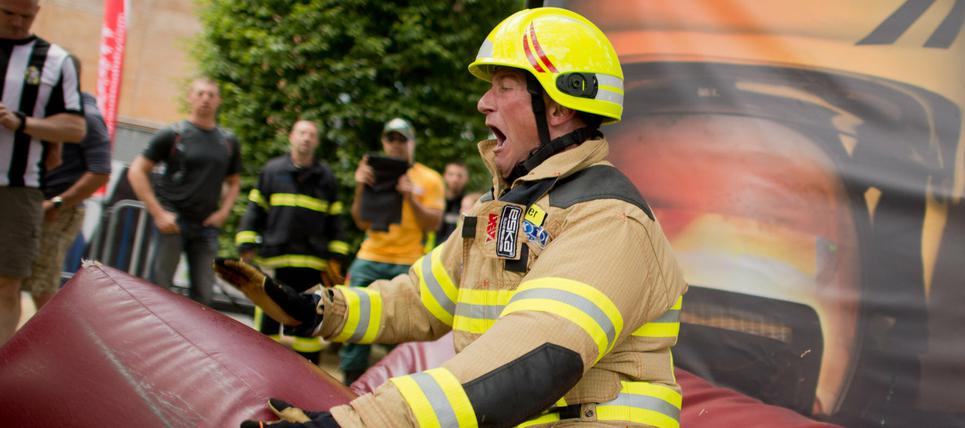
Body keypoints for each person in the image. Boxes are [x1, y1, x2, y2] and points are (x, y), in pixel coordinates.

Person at [216, 7, 686, 427]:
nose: (484, 103)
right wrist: (321, 311)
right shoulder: (505, 209)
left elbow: (532, 358)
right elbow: (421, 299)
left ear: (559, 106)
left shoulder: (611, 221)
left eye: (503, 87)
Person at [0, 0, 86, 345]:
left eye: (27, 15)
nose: (18, 22)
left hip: (18, 190)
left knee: (7, 282)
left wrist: (21, 122)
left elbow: (75, 127)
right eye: (9, 13)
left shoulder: (55, 60)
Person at [235, 119, 348, 364]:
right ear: (291, 137)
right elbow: (255, 210)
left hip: (310, 264)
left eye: (311, 134)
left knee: (308, 319)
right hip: (276, 260)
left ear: (316, 141)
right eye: (302, 133)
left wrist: (337, 257)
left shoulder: (326, 178)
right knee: (269, 317)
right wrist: (246, 244)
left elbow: (335, 220)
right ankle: (263, 366)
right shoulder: (272, 171)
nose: (306, 138)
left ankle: (307, 372)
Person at [341, 117, 445, 383]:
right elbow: (360, 220)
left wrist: (410, 197)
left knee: (403, 332)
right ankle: (348, 387)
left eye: (402, 139)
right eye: (391, 139)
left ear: (412, 143)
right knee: (354, 323)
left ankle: (398, 393)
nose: (396, 144)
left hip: (408, 262)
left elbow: (433, 222)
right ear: (384, 142)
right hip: (369, 258)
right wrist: (360, 186)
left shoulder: (428, 178)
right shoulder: (372, 172)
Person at [127, 77, 241, 306]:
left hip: (207, 227)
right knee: (159, 290)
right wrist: (158, 213)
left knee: (204, 295)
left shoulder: (228, 141)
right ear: (190, 97)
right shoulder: (174, 133)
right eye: (200, 94)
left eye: (211, 95)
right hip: (173, 222)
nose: (205, 99)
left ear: (218, 100)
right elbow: (137, 170)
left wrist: (223, 213)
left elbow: (234, 181)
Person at [22, 55, 111, 311]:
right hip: (29, 205)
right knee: (14, 280)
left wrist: (57, 204)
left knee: (42, 286)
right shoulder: (45, 109)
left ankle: (55, 344)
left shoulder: (87, 117)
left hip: (56, 212)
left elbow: (100, 171)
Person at [434, 161, 469, 245]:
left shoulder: (469, 205)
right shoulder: (434, 201)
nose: (455, 179)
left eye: (459, 176)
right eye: (451, 174)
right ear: (444, 176)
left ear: (466, 179)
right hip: (430, 254)